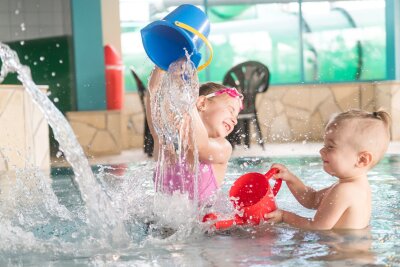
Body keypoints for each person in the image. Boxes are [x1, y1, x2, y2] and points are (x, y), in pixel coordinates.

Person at [265, 109, 391, 230]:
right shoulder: (354, 186)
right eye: (324, 145)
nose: (321, 151)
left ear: (362, 160)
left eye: (330, 147)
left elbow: (317, 227)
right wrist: (290, 178)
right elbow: (312, 199)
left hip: (344, 251)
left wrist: (284, 216)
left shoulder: (344, 190)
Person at [145, 61, 243, 203]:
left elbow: (199, 145)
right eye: (230, 110)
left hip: (205, 223)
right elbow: (154, 99)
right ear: (202, 103)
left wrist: (186, 94)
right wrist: (160, 66)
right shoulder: (169, 143)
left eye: (236, 117)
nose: (235, 121)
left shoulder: (223, 148)